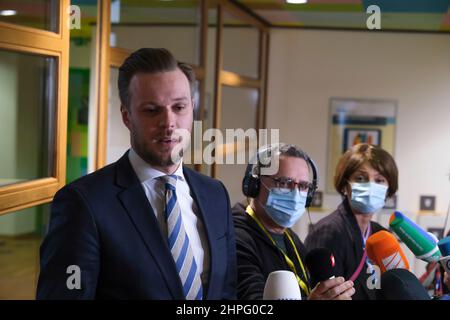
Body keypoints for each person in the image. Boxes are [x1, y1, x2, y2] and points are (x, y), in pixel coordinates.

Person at [37, 48, 236, 299]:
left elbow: (228, 292)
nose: (169, 122)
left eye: (179, 107)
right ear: (127, 116)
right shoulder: (83, 204)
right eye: (152, 110)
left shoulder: (215, 194)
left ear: (192, 109)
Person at [233, 143, 355, 300]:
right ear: (254, 185)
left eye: (303, 186)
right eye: (284, 182)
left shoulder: (291, 238)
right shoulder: (235, 237)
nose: (295, 194)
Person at [305, 143, 398, 300]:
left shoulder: (382, 234)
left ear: (389, 189)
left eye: (379, 180)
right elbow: (322, 292)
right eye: (360, 178)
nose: (370, 185)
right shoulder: (328, 232)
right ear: (344, 185)